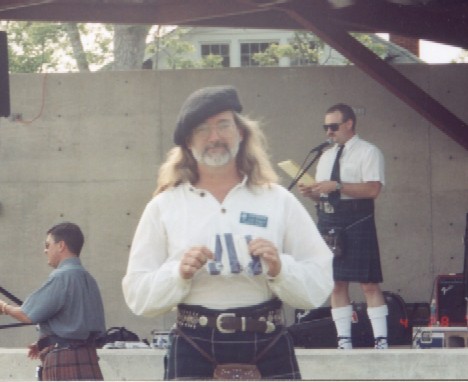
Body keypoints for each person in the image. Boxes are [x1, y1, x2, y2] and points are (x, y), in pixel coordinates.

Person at [122, 85, 334, 380]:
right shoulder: (164, 206)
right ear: (188, 141)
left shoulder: (277, 200)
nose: (214, 137)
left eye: (223, 125)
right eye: (202, 129)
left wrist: (280, 267)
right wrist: (177, 273)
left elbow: (320, 283)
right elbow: (137, 295)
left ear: (241, 133)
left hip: (268, 342)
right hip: (194, 346)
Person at [298, 103, 388, 350]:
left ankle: (381, 340)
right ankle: (343, 340)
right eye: (326, 127)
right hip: (330, 219)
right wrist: (313, 193)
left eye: (334, 126)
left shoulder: (368, 152)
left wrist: (337, 185)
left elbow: (373, 189)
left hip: (357, 219)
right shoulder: (325, 156)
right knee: (336, 282)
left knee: (368, 282)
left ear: (349, 124)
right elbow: (325, 194)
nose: (329, 132)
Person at [0, 222, 106, 380]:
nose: (45, 250)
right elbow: (82, 326)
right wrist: (44, 342)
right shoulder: (89, 280)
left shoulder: (61, 277)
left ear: (61, 245)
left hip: (64, 359)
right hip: (88, 359)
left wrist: (4, 307)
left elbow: (26, 314)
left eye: (48, 245)